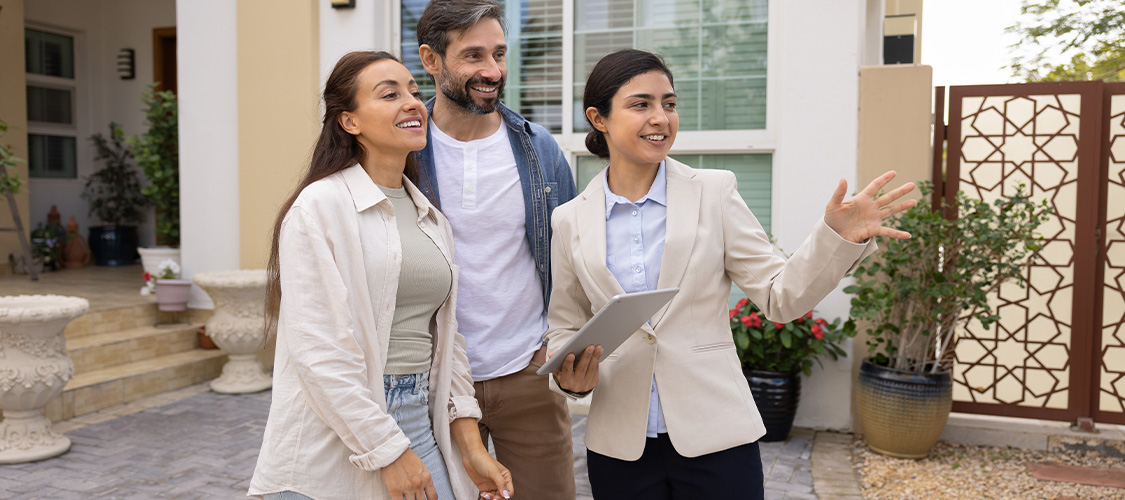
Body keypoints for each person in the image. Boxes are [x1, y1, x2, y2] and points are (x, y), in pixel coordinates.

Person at [547, 49, 917, 499]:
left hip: (716, 433)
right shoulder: (569, 219)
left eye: (669, 103)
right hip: (619, 446)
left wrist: (836, 238)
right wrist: (568, 376)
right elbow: (564, 323)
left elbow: (781, 298)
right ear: (598, 118)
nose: (661, 118)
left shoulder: (714, 192)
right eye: (641, 104)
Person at [249, 51, 514, 500]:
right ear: (349, 122)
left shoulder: (431, 218)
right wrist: (387, 452)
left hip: (419, 415)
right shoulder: (320, 207)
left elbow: (449, 342)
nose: (412, 102)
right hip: (338, 428)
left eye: (413, 90)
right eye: (389, 94)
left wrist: (470, 446)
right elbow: (320, 353)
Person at [411, 1, 579, 498]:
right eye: (474, 56)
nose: (492, 72)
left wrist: (559, 338)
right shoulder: (401, 150)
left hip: (527, 372)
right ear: (431, 59)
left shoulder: (539, 148)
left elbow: (571, 255)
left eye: (500, 54)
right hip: (432, 380)